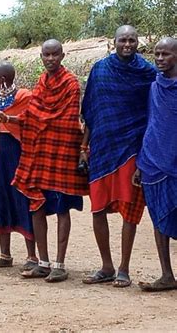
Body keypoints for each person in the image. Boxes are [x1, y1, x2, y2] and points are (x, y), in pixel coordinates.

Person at [81, 25, 157, 287]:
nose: (127, 44)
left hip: (132, 149)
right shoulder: (100, 70)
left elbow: (156, 109)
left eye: (132, 40)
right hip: (102, 149)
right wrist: (84, 148)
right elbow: (90, 110)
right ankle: (106, 266)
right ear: (113, 43)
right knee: (97, 209)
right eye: (122, 40)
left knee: (129, 210)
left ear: (138, 43)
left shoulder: (147, 72)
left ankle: (124, 268)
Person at [10, 39, 88, 282]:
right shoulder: (42, 82)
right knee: (37, 204)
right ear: (41, 56)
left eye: (55, 54)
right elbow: (32, 113)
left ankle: (60, 264)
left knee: (63, 208)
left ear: (63, 56)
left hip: (62, 152)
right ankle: (42, 262)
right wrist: (9, 119)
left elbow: (66, 120)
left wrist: (39, 121)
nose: (51, 59)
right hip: (40, 153)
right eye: (47, 55)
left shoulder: (71, 83)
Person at [136, 37, 177, 292]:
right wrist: (142, 161)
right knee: (159, 218)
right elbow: (152, 123)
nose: (160, 59)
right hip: (153, 160)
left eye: (166, 54)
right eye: (157, 54)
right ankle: (166, 275)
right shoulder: (154, 87)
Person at [0, 61, 37, 269]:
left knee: (21, 199)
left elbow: (30, 121)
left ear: (3, 79)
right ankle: (5, 254)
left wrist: (8, 119)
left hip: (16, 152)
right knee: (1, 200)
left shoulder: (24, 96)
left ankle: (32, 255)